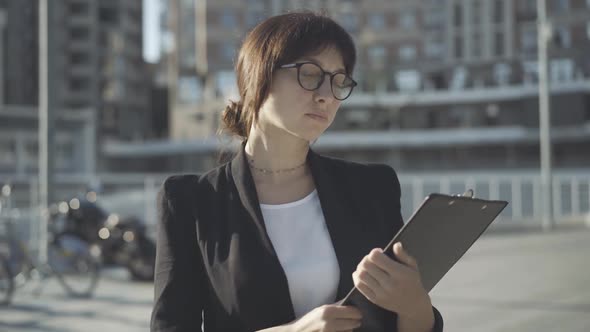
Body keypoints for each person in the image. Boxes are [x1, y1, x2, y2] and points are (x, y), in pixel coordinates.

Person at [151, 11, 444, 332]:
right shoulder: (191, 202)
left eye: (338, 81)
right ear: (257, 76)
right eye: (310, 74)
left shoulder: (373, 188)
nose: (326, 95)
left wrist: (415, 305)